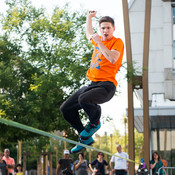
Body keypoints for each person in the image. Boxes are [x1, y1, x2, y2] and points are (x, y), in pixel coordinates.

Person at [60, 10, 124, 153]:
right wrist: (89, 17)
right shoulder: (97, 41)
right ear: (100, 29)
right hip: (92, 84)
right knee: (66, 109)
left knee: (84, 99)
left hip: (107, 86)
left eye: (108, 28)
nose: (105, 30)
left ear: (113, 29)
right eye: (103, 28)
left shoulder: (117, 42)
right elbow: (89, 34)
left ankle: (95, 123)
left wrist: (99, 42)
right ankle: (85, 138)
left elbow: (112, 58)